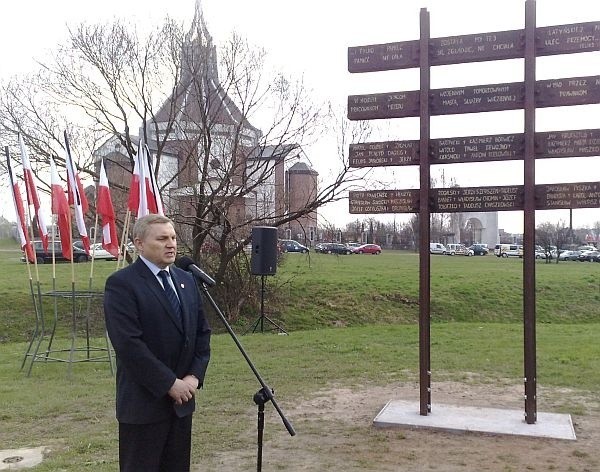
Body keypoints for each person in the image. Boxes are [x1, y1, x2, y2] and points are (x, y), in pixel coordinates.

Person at [104, 214, 211, 472]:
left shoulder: (186, 280)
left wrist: (193, 378)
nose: (171, 244)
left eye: (173, 237)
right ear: (139, 244)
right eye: (162, 238)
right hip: (144, 406)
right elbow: (129, 345)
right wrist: (169, 384)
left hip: (182, 404)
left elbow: (202, 334)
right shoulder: (122, 285)